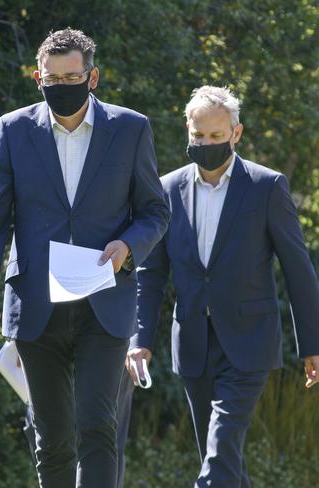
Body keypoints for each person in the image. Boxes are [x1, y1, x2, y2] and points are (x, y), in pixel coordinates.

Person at [0, 28, 169, 487]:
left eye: (71, 77)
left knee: (99, 428)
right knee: (53, 437)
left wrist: (128, 247)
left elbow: (155, 211)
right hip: (37, 306)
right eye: (51, 79)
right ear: (38, 77)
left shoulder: (130, 128)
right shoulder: (13, 129)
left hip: (106, 301)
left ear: (92, 77)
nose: (61, 86)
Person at [128, 85, 319, 487]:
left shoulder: (266, 187)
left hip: (250, 342)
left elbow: (298, 268)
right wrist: (140, 338)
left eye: (217, 136)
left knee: (218, 454)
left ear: (236, 133)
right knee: (225, 461)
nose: (207, 143)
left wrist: (312, 345)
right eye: (199, 136)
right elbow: (151, 273)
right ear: (188, 130)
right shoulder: (166, 190)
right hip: (194, 343)